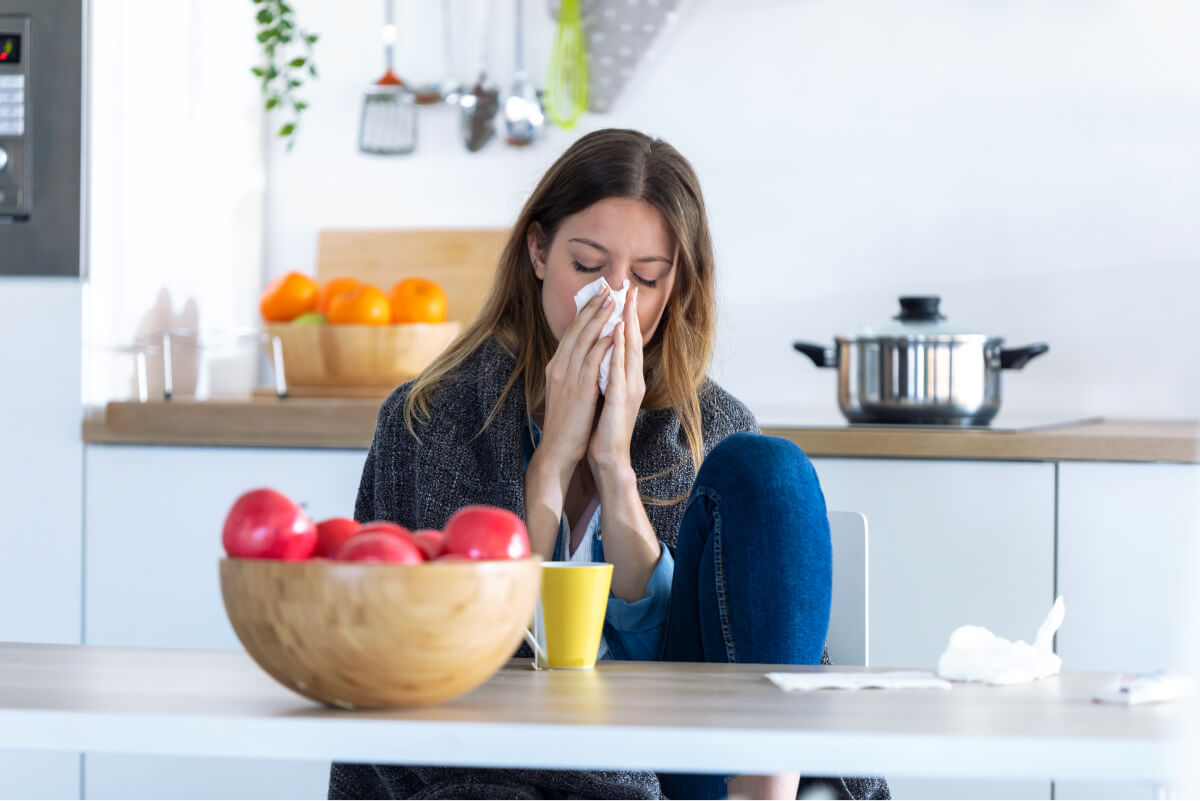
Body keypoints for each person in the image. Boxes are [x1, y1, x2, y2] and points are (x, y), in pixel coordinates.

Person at [329, 128, 888, 801]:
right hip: (505, 760)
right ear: (538, 250)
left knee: (769, 469)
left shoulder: (712, 425)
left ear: (675, 284)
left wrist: (614, 469)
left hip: (691, 761)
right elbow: (436, 658)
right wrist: (551, 468)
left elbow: (763, 640)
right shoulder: (430, 420)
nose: (614, 300)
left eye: (646, 278)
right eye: (588, 267)